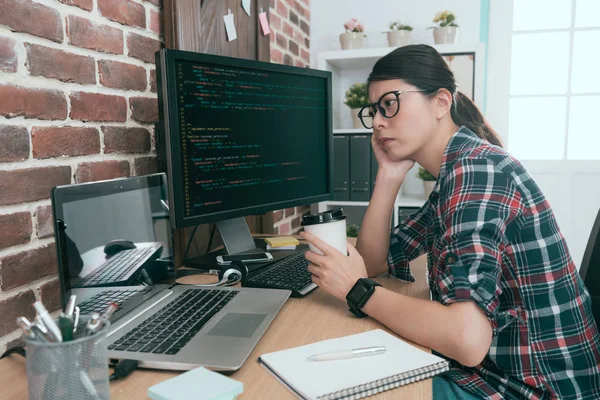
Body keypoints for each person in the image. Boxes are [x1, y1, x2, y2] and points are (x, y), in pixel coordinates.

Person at [300, 44, 600, 399]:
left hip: (528, 389)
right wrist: (389, 176)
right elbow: (373, 261)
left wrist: (358, 291)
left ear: (441, 102)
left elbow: (467, 339)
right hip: (502, 373)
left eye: (390, 104)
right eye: (374, 111)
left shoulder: (476, 171)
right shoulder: (456, 171)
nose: (378, 121)